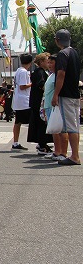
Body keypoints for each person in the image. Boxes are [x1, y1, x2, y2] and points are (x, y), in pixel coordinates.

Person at [51, 29, 81, 166]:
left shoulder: (63, 54)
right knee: (75, 124)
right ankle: (74, 154)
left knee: (70, 126)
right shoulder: (74, 52)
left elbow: (61, 74)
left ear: (58, 40)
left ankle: (75, 156)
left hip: (66, 94)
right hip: (75, 93)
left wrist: (55, 94)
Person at [27, 53, 52, 154]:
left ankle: (42, 143)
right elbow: (41, 84)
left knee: (39, 123)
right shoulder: (40, 72)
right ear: (41, 62)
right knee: (42, 123)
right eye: (47, 61)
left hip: (36, 101)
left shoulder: (38, 71)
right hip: (39, 102)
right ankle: (42, 145)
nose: (48, 63)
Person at [42, 55, 63, 160]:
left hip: (53, 105)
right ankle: (57, 150)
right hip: (48, 105)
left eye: (51, 62)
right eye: (48, 62)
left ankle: (58, 151)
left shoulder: (56, 76)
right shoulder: (51, 75)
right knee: (54, 129)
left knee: (56, 129)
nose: (49, 65)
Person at [11, 53, 33, 151]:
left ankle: (15, 142)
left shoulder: (18, 71)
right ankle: (40, 142)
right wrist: (32, 84)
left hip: (18, 100)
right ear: (30, 62)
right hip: (24, 100)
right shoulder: (24, 72)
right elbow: (22, 86)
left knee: (18, 122)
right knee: (33, 120)